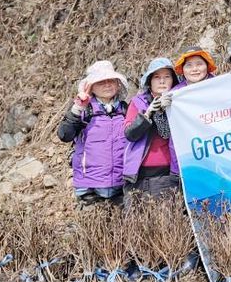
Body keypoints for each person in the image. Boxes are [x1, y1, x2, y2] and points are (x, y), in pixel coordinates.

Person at [57, 61, 128, 207]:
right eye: (101, 82)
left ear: (118, 84)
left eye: (111, 80)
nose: (107, 85)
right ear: (91, 87)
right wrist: (78, 107)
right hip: (89, 187)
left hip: (120, 184)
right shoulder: (84, 109)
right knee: (92, 221)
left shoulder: (125, 109)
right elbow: (65, 135)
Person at [123, 58, 180, 200]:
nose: (162, 81)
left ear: (173, 80)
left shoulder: (179, 102)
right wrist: (148, 113)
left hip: (167, 174)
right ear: (149, 81)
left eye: (167, 77)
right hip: (138, 176)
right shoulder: (138, 103)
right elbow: (130, 134)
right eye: (157, 77)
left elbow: (167, 134)